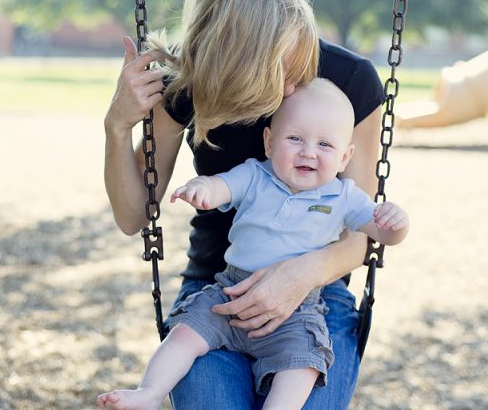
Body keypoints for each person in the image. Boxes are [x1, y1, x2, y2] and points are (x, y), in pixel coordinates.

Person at [103, 0, 392, 409]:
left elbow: (365, 233)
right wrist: (117, 127)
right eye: (277, 69)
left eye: (296, 56)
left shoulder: (351, 81)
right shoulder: (191, 82)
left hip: (317, 295)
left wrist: (299, 275)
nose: (294, 87)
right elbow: (132, 215)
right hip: (217, 288)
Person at [98, 79, 409, 410]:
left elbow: (380, 235)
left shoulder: (343, 197)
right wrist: (203, 189)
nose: (308, 152)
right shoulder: (256, 175)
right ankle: (149, 392)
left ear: (345, 157)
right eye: (294, 139)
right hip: (229, 290)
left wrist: (395, 223)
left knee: (304, 364)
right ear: (269, 143)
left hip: (298, 309)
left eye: (324, 145)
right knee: (185, 334)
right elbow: (222, 187)